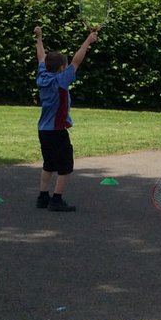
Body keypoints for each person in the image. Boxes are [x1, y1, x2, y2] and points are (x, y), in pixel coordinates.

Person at [34, 24, 97, 211]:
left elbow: (40, 57)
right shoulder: (61, 80)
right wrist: (88, 40)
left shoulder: (43, 75)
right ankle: (56, 199)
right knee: (65, 165)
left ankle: (43, 197)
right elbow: (77, 61)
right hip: (57, 130)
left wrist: (39, 38)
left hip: (43, 130)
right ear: (62, 68)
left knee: (49, 163)